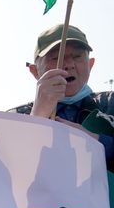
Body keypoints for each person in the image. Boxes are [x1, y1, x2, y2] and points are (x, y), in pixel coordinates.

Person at [10, 24, 113, 170]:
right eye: (56, 58)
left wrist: (96, 142)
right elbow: (4, 170)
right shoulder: (14, 118)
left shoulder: (110, 104)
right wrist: (37, 118)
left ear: (90, 64)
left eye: (77, 56)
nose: (69, 65)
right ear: (35, 71)